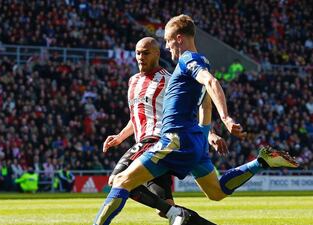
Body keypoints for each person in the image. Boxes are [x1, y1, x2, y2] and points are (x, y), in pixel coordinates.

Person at [94, 15, 299, 225]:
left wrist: (226, 118)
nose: (167, 46)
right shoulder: (191, 67)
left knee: (120, 181)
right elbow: (205, 103)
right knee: (216, 192)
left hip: (174, 139)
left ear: (179, 38)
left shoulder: (188, 60)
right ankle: (262, 161)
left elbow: (211, 82)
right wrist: (206, 132)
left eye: (168, 40)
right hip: (194, 137)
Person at [95, 37, 217, 225]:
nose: (141, 57)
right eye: (138, 53)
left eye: (146, 52)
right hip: (146, 146)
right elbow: (137, 116)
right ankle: (179, 214)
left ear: (157, 54)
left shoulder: (169, 80)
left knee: (116, 179)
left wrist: (209, 133)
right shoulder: (133, 81)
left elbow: (192, 108)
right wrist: (120, 137)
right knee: (165, 206)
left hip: (157, 140)